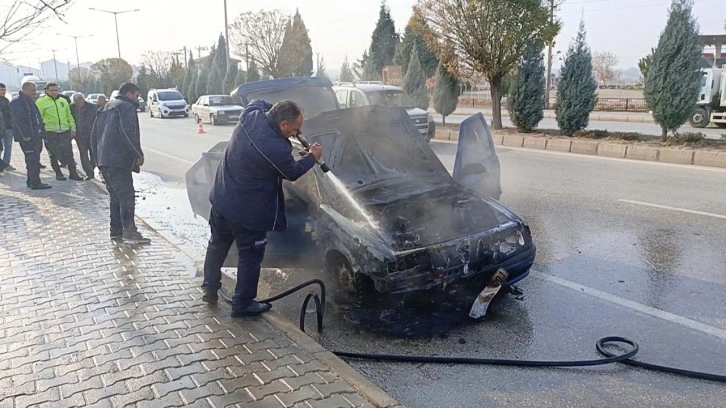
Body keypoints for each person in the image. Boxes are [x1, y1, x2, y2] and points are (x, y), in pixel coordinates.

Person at [201, 99, 322, 317]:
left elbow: (259, 101)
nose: (297, 134)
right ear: (283, 124)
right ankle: (243, 304)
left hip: (222, 197)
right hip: (246, 211)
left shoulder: (250, 115)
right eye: (295, 129)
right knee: (250, 255)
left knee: (217, 244)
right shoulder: (275, 148)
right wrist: (312, 157)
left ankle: (210, 289)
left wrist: (278, 107)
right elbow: (292, 172)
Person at [91, 82, 150, 244]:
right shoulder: (126, 107)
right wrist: (137, 153)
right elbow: (127, 132)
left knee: (115, 196)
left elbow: (94, 136)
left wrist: (97, 159)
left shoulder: (104, 108)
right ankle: (130, 232)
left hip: (105, 160)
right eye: (137, 96)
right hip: (118, 160)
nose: (137, 100)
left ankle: (116, 231)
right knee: (127, 196)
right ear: (129, 94)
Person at [36, 82, 83, 181]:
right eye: (51, 90)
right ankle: (58, 173)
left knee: (69, 153)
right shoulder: (41, 102)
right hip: (50, 132)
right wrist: (42, 131)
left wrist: (73, 128)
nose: (54, 92)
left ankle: (73, 173)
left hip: (64, 131)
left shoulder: (63, 101)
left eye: (55, 90)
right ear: (46, 90)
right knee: (53, 154)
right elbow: (38, 118)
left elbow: (68, 115)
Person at [9, 82, 51, 189]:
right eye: (32, 90)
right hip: (27, 137)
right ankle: (35, 182)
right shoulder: (17, 102)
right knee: (32, 159)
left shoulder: (30, 101)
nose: (34, 92)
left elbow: (36, 117)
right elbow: (17, 121)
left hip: (35, 135)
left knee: (34, 159)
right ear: (25, 89)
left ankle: (31, 180)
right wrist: (25, 135)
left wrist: (41, 131)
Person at [70, 93, 97, 180]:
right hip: (79, 135)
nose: (80, 104)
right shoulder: (71, 108)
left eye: (81, 102)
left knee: (93, 154)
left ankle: (92, 167)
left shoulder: (92, 107)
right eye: (77, 103)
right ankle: (89, 173)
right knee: (83, 153)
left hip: (91, 134)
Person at [0, 83, 15, 171]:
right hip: (0, 129)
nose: (3, 92)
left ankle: (6, 164)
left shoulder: (6, 100)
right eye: (1, 90)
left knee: (8, 147)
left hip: (9, 127)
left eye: (4, 90)